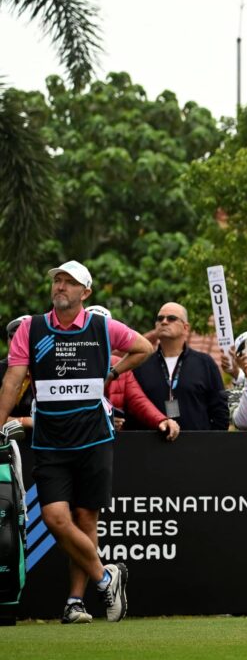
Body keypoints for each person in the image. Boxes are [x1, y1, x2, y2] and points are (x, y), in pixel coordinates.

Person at [0, 260, 151, 624]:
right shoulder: (31, 328)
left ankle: (75, 603)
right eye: (57, 281)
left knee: (85, 519)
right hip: (50, 442)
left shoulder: (102, 326)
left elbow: (144, 347)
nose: (60, 287)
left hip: (93, 440)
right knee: (54, 518)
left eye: (69, 282)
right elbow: (12, 380)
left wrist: (112, 372)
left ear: (86, 292)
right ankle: (106, 577)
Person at [85, 306, 179, 441]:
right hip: (76, 443)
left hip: (111, 444)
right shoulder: (66, 363)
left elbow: (138, 400)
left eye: (102, 332)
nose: (95, 338)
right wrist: (103, 421)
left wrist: (161, 420)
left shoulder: (120, 365)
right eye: (91, 332)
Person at [130, 303, 228, 431]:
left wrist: (210, 441)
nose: (164, 322)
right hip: (151, 441)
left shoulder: (205, 363)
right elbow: (132, 409)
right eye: (160, 318)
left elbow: (220, 411)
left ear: (186, 327)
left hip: (197, 442)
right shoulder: (141, 364)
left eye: (171, 318)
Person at [1, 315, 33, 429]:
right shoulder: (1, 368)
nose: (17, 341)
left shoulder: (51, 370)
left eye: (24, 336)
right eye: (12, 336)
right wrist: (25, 421)